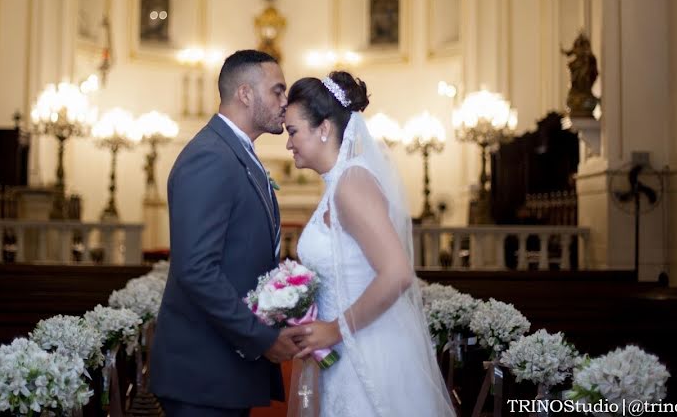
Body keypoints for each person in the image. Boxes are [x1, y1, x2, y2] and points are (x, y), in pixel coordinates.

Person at [150, 50, 311, 417]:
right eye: (277, 91)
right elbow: (196, 270)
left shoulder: (235, 153)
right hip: (202, 373)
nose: (286, 103)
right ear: (245, 94)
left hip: (222, 369)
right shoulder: (209, 157)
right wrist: (262, 338)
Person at [285, 72, 455, 416]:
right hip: (341, 353)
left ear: (323, 129)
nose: (288, 144)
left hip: (365, 351)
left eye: (293, 132)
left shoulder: (352, 183)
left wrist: (335, 329)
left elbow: (396, 273)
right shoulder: (337, 185)